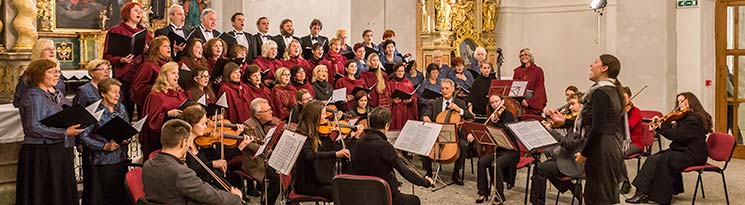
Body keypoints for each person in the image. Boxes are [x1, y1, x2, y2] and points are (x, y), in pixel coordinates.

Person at [544, 54, 627, 204]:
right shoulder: (612, 89)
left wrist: (584, 153)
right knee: (603, 195)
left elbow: (597, 129)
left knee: (597, 197)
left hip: (601, 148)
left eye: (595, 62)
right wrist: (564, 121)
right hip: (610, 145)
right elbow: (591, 121)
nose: (591, 65)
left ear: (604, 68)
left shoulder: (600, 92)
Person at [16, 59, 85, 205]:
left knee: (60, 191)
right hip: (41, 152)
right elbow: (33, 127)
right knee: (46, 193)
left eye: (57, 71)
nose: (56, 75)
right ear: (38, 74)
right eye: (51, 71)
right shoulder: (33, 96)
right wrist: (65, 132)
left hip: (58, 148)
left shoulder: (55, 93)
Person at [626, 92, 712, 204]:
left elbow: (676, 135)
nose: (679, 104)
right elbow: (675, 130)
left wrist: (662, 125)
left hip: (693, 154)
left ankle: (658, 196)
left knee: (664, 160)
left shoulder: (694, 119)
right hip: (683, 150)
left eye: (682, 101)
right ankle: (642, 192)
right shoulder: (686, 117)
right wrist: (660, 124)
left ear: (691, 101)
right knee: (654, 158)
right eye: (678, 102)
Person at [142, 119, 243, 204]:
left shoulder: (147, 165)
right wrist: (235, 198)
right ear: (183, 142)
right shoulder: (181, 172)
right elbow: (207, 194)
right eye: (189, 141)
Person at [352, 107, 434, 205]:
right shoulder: (385, 146)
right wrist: (426, 182)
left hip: (363, 196)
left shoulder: (359, 142)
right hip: (385, 196)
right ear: (387, 125)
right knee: (414, 200)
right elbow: (405, 172)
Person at [79, 78, 132, 205]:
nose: (117, 95)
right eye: (113, 92)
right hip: (101, 161)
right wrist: (104, 146)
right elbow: (82, 136)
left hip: (120, 158)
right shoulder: (94, 110)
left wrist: (127, 137)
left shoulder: (121, 108)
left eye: (118, 92)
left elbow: (126, 128)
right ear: (103, 93)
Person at [103, 2, 153, 119]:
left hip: (142, 76)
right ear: (127, 12)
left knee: (143, 110)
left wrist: (147, 50)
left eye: (141, 11)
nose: (139, 13)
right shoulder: (116, 31)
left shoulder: (144, 32)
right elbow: (107, 56)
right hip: (124, 76)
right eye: (136, 10)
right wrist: (121, 59)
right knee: (125, 110)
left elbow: (153, 51)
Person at [420, 79, 474, 184]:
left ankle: (456, 172)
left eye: (447, 88)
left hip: (455, 136)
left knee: (463, 145)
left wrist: (459, 110)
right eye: (442, 89)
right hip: (437, 134)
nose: (444, 91)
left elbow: (470, 117)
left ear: (453, 89)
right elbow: (426, 113)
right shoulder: (435, 103)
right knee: (424, 143)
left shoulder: (460, 103)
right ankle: (428, 173)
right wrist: (426, 117)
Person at [293, 100, 350, 199]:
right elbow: (309, 156)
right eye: (323, 113)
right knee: (340, 193)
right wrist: (335, 154)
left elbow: (336, 148)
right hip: (307, 183)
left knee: (347, 189)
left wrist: (354, 138)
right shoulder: (302, 134)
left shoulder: (321, 132)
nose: (326, 116)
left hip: (320, 179)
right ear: (314, 116)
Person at [473, 95, 519, 203]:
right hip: (500, 150)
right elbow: (486, 131)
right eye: (492, 103)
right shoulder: (492, 116)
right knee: (481, 162)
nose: (494, 104)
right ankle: (483, 192)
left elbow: (504, 131)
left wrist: (495, 122)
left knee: (496, 164)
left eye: (496, 101)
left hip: (511, 150)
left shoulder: (508, 115)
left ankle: (499, 195)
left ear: (502, 101)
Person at [140, 62, 188, 159]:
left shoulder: (180, 92)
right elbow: (151, 121)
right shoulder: (156, 95)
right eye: (173, 73)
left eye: (177, 73)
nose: (177, 76)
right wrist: (167, 114)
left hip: (181, 135)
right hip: (163, 139)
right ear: (164, 75)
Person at [241, 98, 282, 204]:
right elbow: (249, 145)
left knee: (288, 170)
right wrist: (266, 149)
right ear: (258, 114)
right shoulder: (248, 125)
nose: (271, 112)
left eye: (270, 109)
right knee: (277, 178)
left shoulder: (268, 123)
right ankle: (267, 202)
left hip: (267, 157)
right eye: (267, 111)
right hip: (255, 161)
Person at [132, 36, 171, 113]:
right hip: (152, 106)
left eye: (169, 46)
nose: (169, 48)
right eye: (165, 46)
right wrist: (158, 87)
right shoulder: (148, 66)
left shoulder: (167, 64)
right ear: (156, 50)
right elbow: (138, 88)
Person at [619, 86, 643, 194]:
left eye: (624, 97)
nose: (622, 100)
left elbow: (627, 127)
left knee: (617, 153)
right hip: (620, 142)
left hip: (635, 143)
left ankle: (625, 182)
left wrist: (622, 116)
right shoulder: (619, 111)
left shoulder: (636, 111)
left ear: (630, 97)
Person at [512, 48, 547, 120]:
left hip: (533, 102)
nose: (523, 57)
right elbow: (514, 87)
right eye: (521, 56)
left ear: (530, 56)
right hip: (520, 102)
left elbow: (540, 88)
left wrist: (530, 103)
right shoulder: (517, 71)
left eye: (526, 54)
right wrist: (521, 100)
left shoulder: (538, 70)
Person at [386, 63, 419, 130]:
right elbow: (386, 98)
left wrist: (411, 100)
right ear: (395, 72)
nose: (401, 73)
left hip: (406, 110)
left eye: (402, 71)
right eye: (399, 71)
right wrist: (393, 101)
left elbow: (414, 97)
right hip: (395, 111)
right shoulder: (390, 84)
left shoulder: (408, 83)